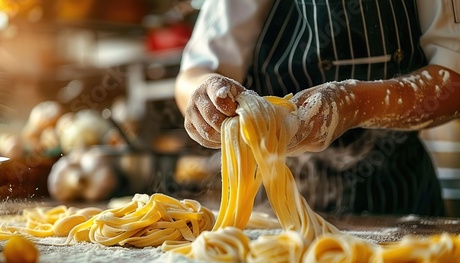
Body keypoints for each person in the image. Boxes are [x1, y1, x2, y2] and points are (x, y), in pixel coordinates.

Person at [174, 0, 460, 217]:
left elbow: (454, 81)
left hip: (401, 203)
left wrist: (353, 104)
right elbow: (194, 75)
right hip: (271, 216)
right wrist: (206, 100)